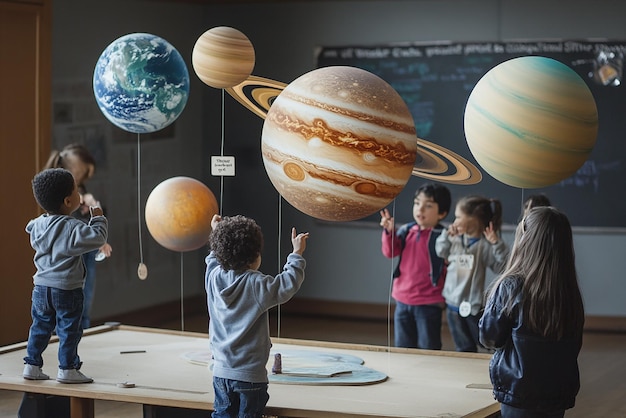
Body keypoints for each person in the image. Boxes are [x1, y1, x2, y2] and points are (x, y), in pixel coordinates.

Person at [479, 207, 584, 417]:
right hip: (557, 393)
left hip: (520, 394)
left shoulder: (510, 285)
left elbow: (489, 338)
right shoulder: (569, 292)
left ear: (525, 240)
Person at [205, 214, 309, 418]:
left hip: (220, 372)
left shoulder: (213, 277)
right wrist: (297, 254)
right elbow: (285, 285)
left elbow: (212, 260)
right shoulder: (255, 284)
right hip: (250, 376)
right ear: (254, 257)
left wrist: (216, 231)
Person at [23, 168, 108, 383]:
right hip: (67, 289)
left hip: (41, 288)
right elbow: (97, 238)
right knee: (69, 330)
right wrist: (98, 216)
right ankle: (67, 368)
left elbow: (29, 227)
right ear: (68, 201)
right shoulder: (72, 228)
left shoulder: (38, 224)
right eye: (76, 190)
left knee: (40, 327)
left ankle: (32, 365)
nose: (80, 193)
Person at [44, 143, 112, 329]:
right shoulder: (62, 197)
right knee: (75, 305)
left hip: (81, 251)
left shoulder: (75, 194)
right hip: (74, 256)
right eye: (83, 174)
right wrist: (90, 207)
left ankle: (76, 339)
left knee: (80, 304)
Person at [379, 183, 451, 349]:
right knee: (403, 346)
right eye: (417, 203)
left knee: (429, 347)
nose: (420, 209)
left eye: (428, 206)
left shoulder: (444, 236)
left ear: (442, 213)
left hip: (429, 301)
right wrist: (389, 232)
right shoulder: (406, 230)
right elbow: (390, 252)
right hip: (403, 298)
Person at [435, 195, 509, 352]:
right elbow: (440, 251)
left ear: (473, 219)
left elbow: (501, 267)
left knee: (485, 342)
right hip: (452, 306)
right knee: (464, 347)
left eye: (458, 217)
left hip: (472, 307)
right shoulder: (454, 239)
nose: (454, 221)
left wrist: (497, 244)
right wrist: (446, 236)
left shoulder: (485, 246)